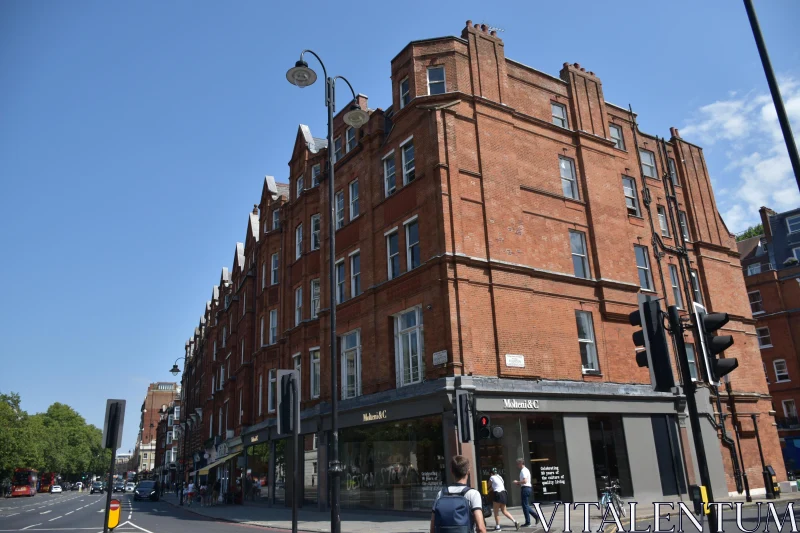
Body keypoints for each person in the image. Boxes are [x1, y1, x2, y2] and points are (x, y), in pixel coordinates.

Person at [430, 455, 486, 533]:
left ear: (451, 471)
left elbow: (433, 527)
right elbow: (481, 528)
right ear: (468, 471)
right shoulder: (473, 494)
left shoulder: (441, 494)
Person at [512, 459, 537, 528]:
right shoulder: (526, 470)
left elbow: (525, 481)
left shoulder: (523, 471)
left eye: (517, 464)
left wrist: (517, 482)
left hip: (525, 488)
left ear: (521, 463)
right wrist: (519, 483)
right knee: (525, 505)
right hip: (527, 488)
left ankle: (528, 522)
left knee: (525, 506)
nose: (517, 465)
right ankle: (535, 517)